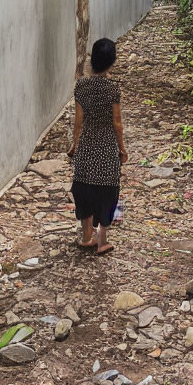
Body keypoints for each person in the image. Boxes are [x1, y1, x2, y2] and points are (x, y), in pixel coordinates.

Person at [67, 38, 127, 254]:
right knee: (107, 190)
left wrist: (75, 145)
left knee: (84, 188)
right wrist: (122, 148)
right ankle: (102, 240)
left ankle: (86, 237)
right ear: (112, 62)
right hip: (107, 146)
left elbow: (78, 122)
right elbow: (117, 123)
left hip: (87, 146)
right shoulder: (113, 90)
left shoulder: (81, 86)